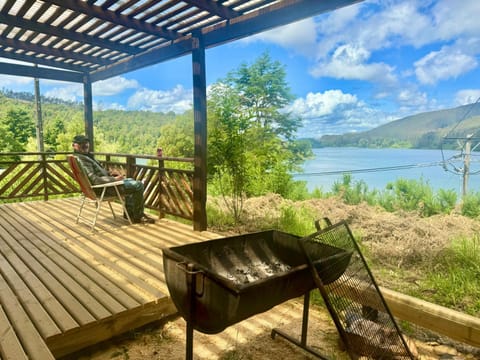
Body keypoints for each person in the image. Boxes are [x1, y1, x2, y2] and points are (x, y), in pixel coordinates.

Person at [72, 134, 155, 224]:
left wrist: (111, 175)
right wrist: (115, 180)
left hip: (101, 187)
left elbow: (96, 174)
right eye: (81, 143)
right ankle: (138, 215)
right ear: (74, 145)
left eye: (86, 142)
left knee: (131, 180)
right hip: (104, 189)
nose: (85, 145)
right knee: (138, 185)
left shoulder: (82, 157)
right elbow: (95, 180)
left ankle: (130, 214)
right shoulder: (83, 159)